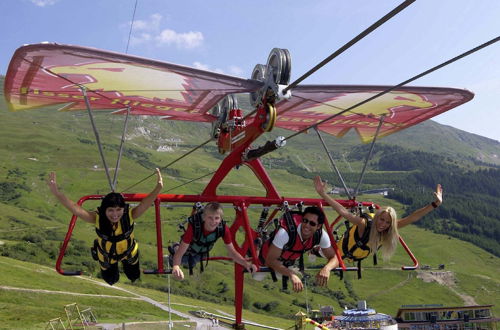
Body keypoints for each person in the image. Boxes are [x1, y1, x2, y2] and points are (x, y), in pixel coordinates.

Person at [47, 168, 163, 285]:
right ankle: (113, 277)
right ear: (104, 210)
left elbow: (146, 203)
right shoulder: (98, 218)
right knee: (110, 280)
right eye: (110, 210)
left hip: (129, 253)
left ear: (123, 209)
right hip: (106, 256)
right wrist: (57, 193)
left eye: (119, 210)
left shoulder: (129, 215)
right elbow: (75, 209)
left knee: (133, 275)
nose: (115, 215)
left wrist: (158, 187)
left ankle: (132, 275)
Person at [313, 176, 442, 269]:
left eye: (387, 222)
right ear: (376, 218)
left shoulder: (389, 228)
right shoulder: (364, 224)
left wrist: (435, 204)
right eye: (381, 220)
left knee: (331, 255)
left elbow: (413, 217)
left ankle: (315, 250)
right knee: (323, 251)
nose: (383, 224)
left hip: (353, 256)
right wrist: (323, 194)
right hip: (339, 252)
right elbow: (343, 212)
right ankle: (314, 249)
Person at [170, 202, 257, 280]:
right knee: (183, 260)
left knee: (190, 264)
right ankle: (175, 246)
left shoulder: (223, 229)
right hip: (188, 248)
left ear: (220, 219)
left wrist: (247, 264)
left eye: (216, 218)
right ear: (204, 217)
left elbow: (232, 253)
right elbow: (180, 253)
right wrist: (176, 266)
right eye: (210, 218)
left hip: (202, 252)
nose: (213, 221)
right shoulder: (193, 228)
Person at [261, 206, 338, 292]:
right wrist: (291, 274)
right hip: (265, 258)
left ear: (319, 226)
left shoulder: (321, 235)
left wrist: (327, 268)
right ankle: (256, 247)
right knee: (258, 277)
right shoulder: (285, 233)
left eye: (312, 223)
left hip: (287, 262)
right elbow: (270, 260)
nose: (307, 226)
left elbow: (334, 257)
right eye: (305, 221)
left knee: (280, 276)